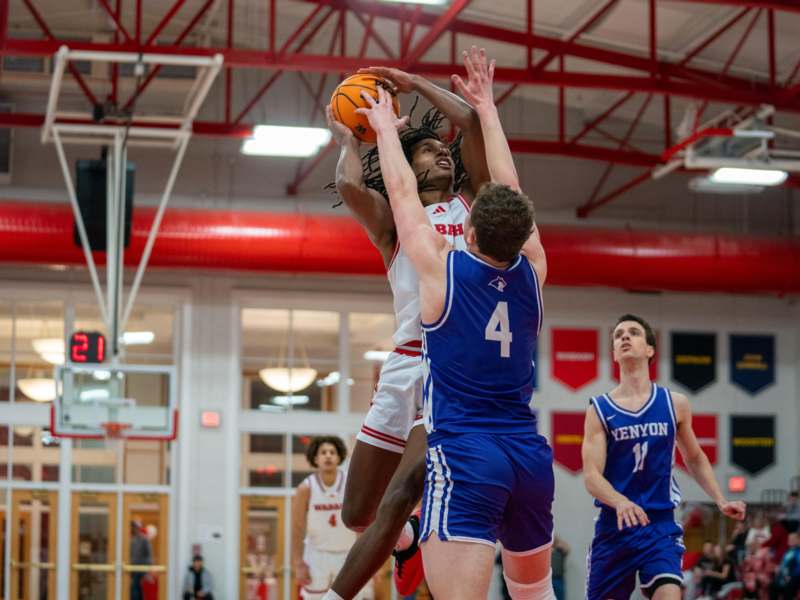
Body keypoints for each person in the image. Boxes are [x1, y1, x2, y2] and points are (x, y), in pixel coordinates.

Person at [351, 43, 553, 600]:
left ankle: (403, 537)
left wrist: (387, 131)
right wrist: (486, 108)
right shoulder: (534, 272)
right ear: (525, 236)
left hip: (466, 453)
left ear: (467, 230)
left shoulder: (443, 274)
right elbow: (510, 188)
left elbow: (399, 193)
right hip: (528, 456)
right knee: (535, 594)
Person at [323, 57, 492, 599]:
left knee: (403, 490)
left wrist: (416, 83)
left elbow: (469, 124)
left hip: (454, 364)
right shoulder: (396, 226)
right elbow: (350, 185)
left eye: (441, 150)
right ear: (407, 168)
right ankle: (414, 532)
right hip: (403, 364)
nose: (441, 151)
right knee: (357, 514)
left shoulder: (475, 208)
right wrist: (353, 136)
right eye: (425, 149)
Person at [582, 314, 747, 600]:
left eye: (633, 333)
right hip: (614, 526)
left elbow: (694, 458)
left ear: (650, 350)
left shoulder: (675, 404)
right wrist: (620, 502)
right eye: (619, 334)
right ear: (613, 353)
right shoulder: (599, 409)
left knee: (670, 593)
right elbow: (591, 476)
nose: (624, 337)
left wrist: (721, 499)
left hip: (659, 524)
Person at [292, 436, 369, 600]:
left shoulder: (351, 482)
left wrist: (365, 557)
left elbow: (363, 521)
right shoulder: (305, 488)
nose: (328, 456)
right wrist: (298, 562)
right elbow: (297, 527)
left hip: (348, 554)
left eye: (332, 452)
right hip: (316, 555)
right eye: (323, 452)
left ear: (339, 457)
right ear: (315, 458)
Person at [770, 531, 800, 600]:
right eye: (789, 538)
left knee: (790, 585)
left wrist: (790, 575)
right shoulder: (788, 551)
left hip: (794, 578)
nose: (789, 540)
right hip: (784, 577)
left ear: (798, 540)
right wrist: (778, 568)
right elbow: (783, 565)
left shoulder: (798, 552)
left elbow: (798, 568)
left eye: (792, 539)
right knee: (773, 585)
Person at [130, 520, 153, 600]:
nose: (134, 528)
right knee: (136, 589)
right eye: (133, 526)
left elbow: (149, 556)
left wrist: (148, 571)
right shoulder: (131, 539)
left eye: (136, 526)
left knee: (135, 588)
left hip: (141, 569)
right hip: (131, 569)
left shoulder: (144, 539)